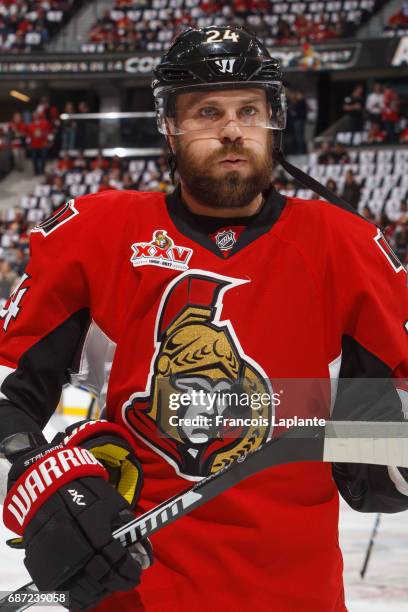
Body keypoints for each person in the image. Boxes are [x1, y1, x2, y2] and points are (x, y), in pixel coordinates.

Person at [0, 26, 407, 612]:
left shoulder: (347, 249)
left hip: (295, 595)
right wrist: (38, 479)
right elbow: (8, 393)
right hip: (133, 589)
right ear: (169, 125)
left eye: (249, 110)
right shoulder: (97, 235)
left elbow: (378, 470)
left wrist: (390, 447)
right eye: (207, 111)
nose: (232, 129)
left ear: (275, 120)